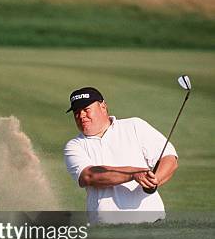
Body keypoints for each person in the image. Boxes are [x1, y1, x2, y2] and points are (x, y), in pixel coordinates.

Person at [63, 87, 178, 223]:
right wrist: (133, 174)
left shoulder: (134, 126)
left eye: (86, 110)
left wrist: (154, 180)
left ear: (103, 106)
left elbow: (169, 158)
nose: (81, 115)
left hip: (151, 222)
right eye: (76, 112)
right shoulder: (74, 146)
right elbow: (89, 176)